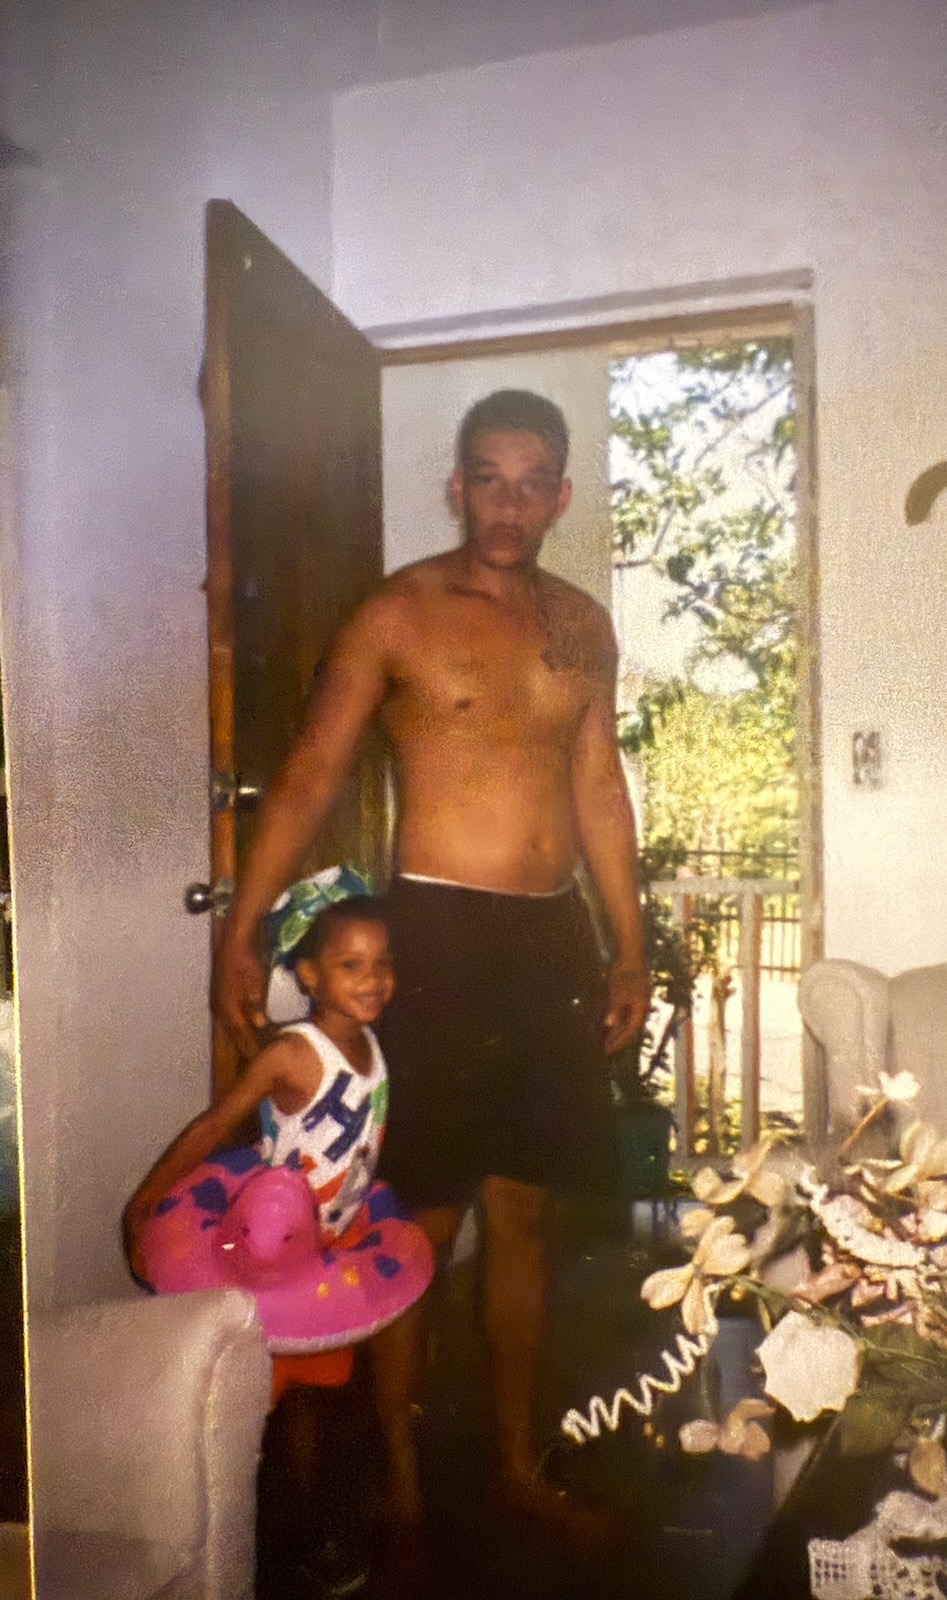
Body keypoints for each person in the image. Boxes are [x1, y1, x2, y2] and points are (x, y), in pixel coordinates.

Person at [213, 389, 651, 1554]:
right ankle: (401, 1481)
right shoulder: (397, 612)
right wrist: (242, 930)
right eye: (487, 478)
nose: (509, 502)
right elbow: (310, 772)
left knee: (525, 1215)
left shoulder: (582, 624)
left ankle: (514, 1464)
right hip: (439, 939)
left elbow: (599, 785)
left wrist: (629, 943)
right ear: (457, 486)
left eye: (532, 481)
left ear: (560, 494)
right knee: (416, 1217)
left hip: (551, 941)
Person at [126, 888, 422, 1593]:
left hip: (326, 1255)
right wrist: (144, 1202)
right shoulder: (294, 1053)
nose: (374, 979)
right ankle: (227, 1534)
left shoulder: (369, 1043)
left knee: (313, 1392)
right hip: (269, 1260)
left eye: (384, 963)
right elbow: (214, 1124)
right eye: (351, 965)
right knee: (250, 1401)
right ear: (310, 975)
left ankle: (301, 1529)